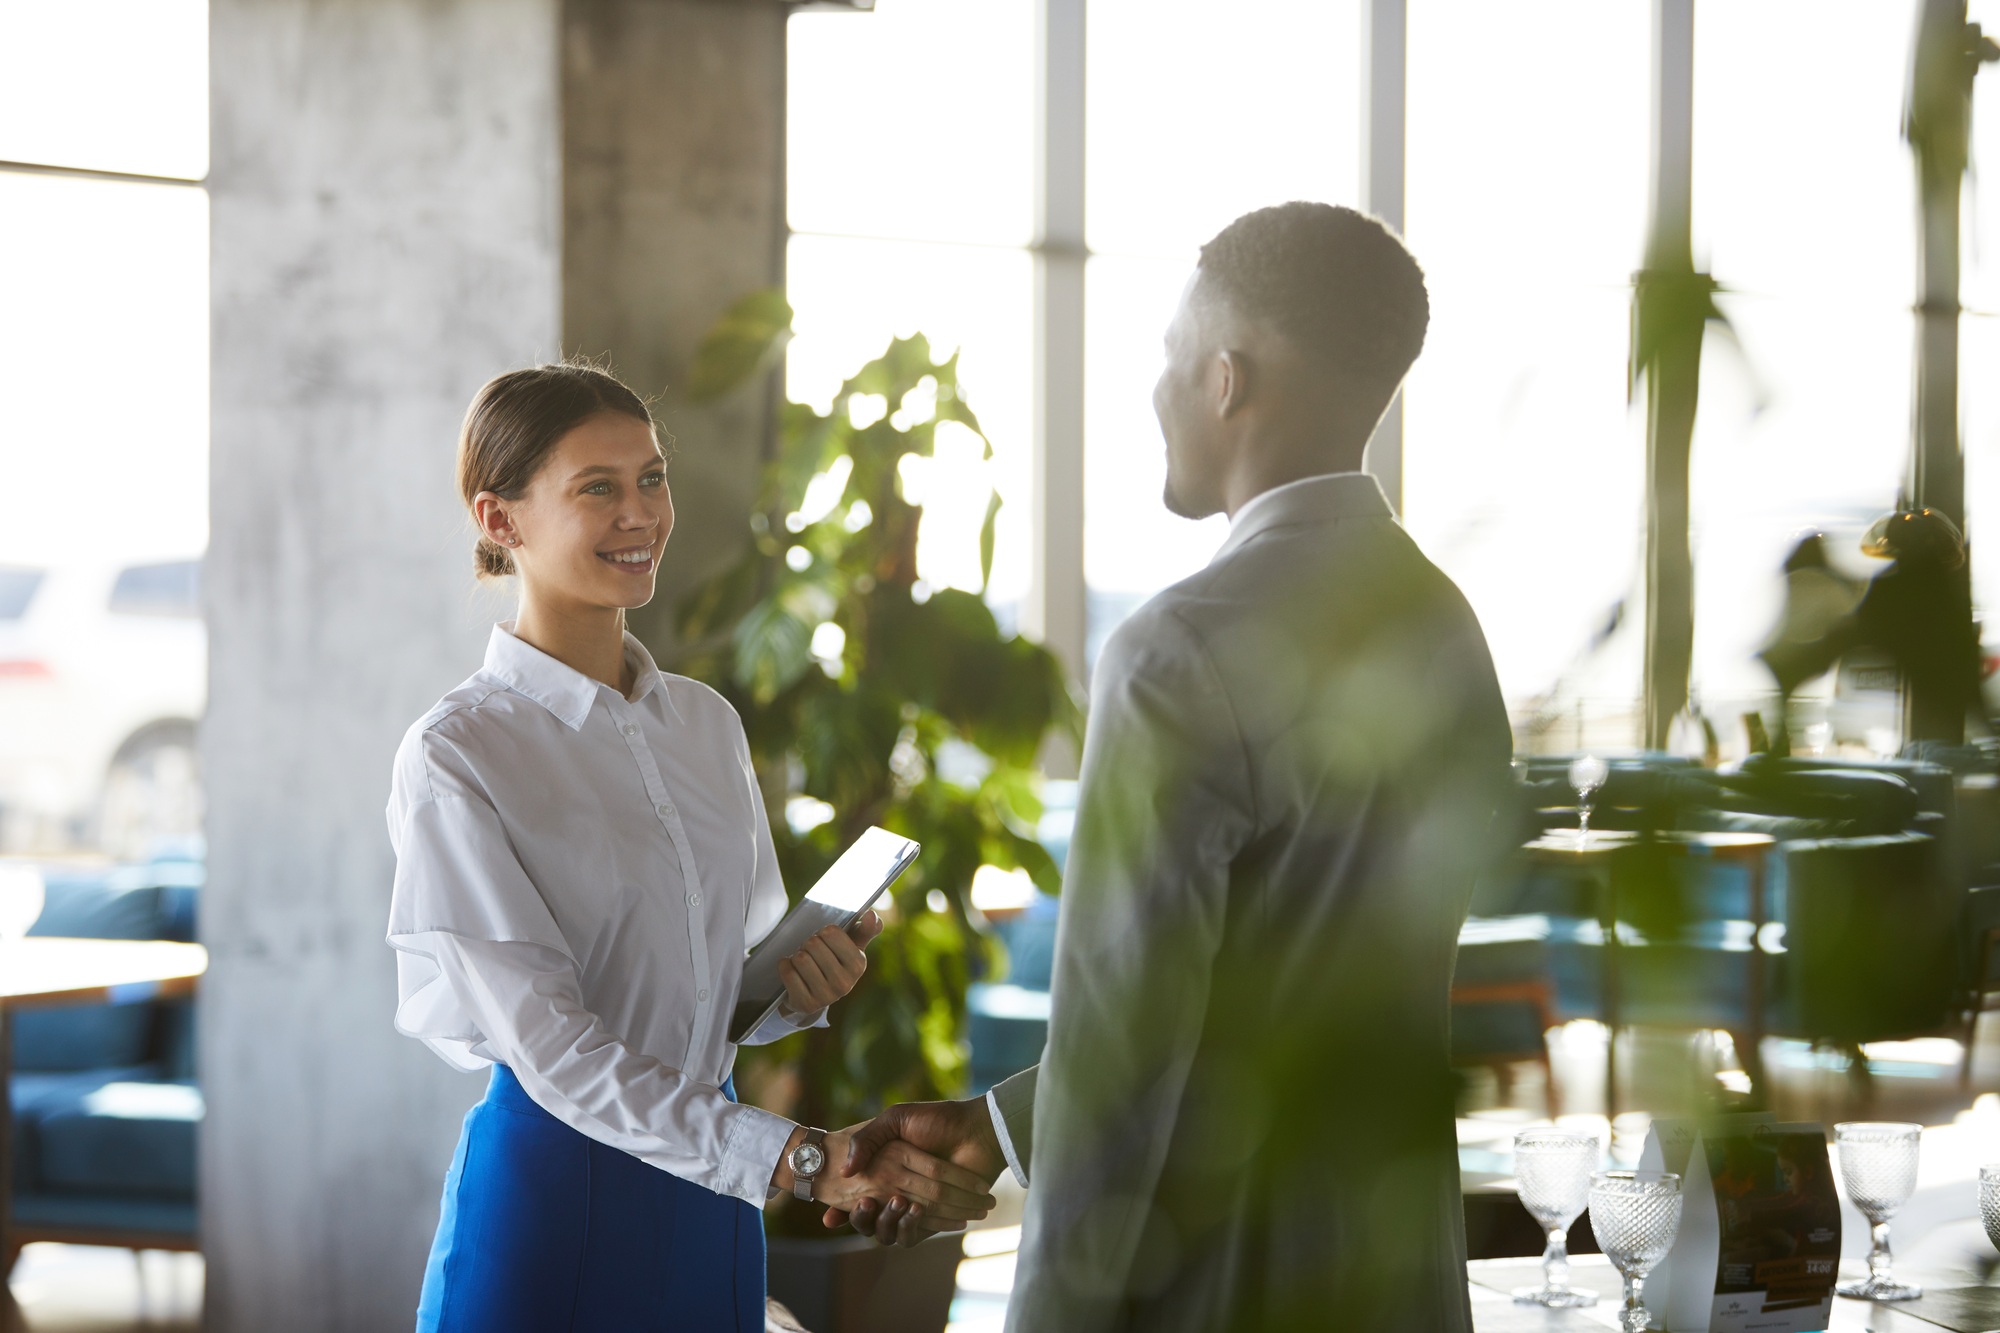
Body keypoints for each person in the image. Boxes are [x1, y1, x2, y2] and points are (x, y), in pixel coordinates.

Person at [834, 203, 1512, 1332]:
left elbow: (1123, 1054)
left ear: (1224, 380)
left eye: (1167, 361)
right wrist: (1003, 1128)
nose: (1153, 394)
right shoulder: (1443, 626)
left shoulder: (1176, 650)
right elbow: (1284, 997)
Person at [384, 363, 994, 1333]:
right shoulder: (461, 753)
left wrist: (795, 984)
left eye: (651, 479)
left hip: (709, 1206)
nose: (640, 513)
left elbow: (721, 991)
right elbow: (556, 1049)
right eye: (597, 487)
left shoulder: (704, 724)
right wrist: (795, 1156)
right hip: (557, 1193)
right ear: (499, 521)